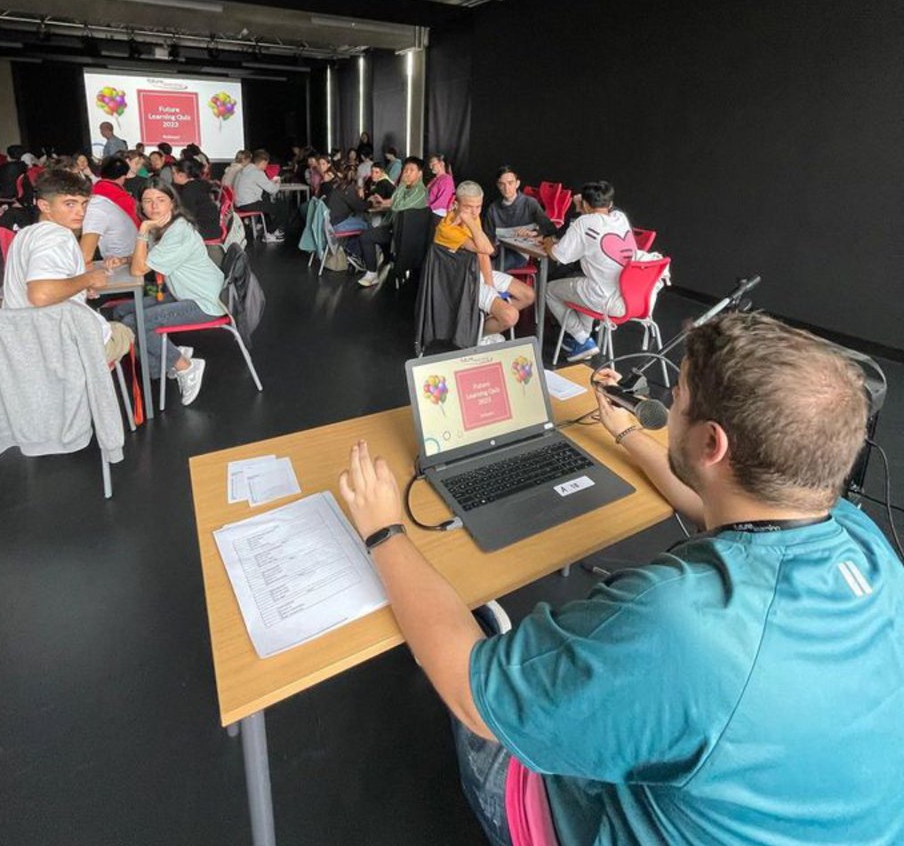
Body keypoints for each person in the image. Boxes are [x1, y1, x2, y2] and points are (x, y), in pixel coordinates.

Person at [336, 312, 904, 846]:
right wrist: (628, 434)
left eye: (675, 399)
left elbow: (468, 693)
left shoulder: (678, 617)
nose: (663, 406)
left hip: (586, 816)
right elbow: (719, 504)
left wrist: (384, 530)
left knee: (471, 638)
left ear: (711, 444)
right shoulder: (861, 539)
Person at [2, 169, 133, 365]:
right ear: (44, 205)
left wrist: (77, 286)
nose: (80, 212)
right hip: (57, 346)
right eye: (69, 204)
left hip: (22, 343)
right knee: (125, 333)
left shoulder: (24, 234)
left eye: (84, 203)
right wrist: (89, 279)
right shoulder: (57, 236)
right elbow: (41, 295)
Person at [114, 182, 227, 406]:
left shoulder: (178, 231)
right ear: (141, 205)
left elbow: (139, 270)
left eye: (161, 200)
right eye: (148, 201)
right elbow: (144, 260)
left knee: (136, 320)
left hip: (203, 302)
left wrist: (143, 231)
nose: (154, 206)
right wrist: (124, 259)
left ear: (172, 203)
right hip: (182, 293)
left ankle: (185, 366)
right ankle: (164, 361)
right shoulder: (167, 226)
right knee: (122, 311)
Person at [542, 179, 634, 363]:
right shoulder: (620, 218)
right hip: (627, 297)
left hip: (604, 298)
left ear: (584, 204)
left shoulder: (584, 222)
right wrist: (583, 205)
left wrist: (547, 242)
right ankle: (582, 339)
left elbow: (558, 256)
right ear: (611, 204)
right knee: (583, 282)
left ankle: (582, 338)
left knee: (549, 290)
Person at [433, 181, 535, 337]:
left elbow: (483, 255)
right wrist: (470, 222)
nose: (474, 213)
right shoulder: (446, 228)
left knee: (528, 295)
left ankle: (479, 328)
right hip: (460, 280)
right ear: (456, 204)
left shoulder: (472, 216)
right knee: (510, 316)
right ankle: (476, 337)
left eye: (478, 207)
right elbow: (487, 248)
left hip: (475, 271)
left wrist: (490, 285)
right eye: (468, 207)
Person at [356, 157, 429, 288]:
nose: (406, 173)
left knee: (366, 236)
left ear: (420, 173)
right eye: (405, 170)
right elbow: (394, 201)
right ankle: (375, 270)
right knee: (368, 233)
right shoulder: (408, 188)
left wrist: (401, 184)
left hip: (405, 236)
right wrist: (383, 202)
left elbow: (397, 206)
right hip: (395, 228)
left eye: (411, 170)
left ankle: (373, 272)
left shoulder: (420, 192)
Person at [484, 165, 557, 272]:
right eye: (502, 184)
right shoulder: (493, 208)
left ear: (517, 183)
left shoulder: (529, 203)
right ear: (498, 185)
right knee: (476, 265)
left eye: (510, 183)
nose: (506, 188)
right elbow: (488, 236)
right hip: (499, 251)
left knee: (489, 269)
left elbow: (550, 228)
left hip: (520, 254)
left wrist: (534, 233)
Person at [80, 156, 139, 266]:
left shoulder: (93, 195)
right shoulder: (123, 198)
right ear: (123, 177)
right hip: (124, 258)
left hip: (113, 260)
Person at [234, 149, 287, 241]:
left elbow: (259, 183)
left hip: (239, 203)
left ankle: (271, 229)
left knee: (266, 202)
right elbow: (273, 190)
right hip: (249, 204)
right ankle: (269, 234)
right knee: (282, 208)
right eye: (266, 164)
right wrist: (278, 182)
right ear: (263, 162)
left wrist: (270, 182)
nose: (266, 166)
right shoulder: (257, 172)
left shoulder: (244, 170)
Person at [172, 157, 221, 242]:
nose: (172, 176)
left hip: (203, 231)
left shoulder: (189, 191)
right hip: (212, 228)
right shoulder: (198, 184)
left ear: (182, 175)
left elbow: (188, 217)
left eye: (174, 173)